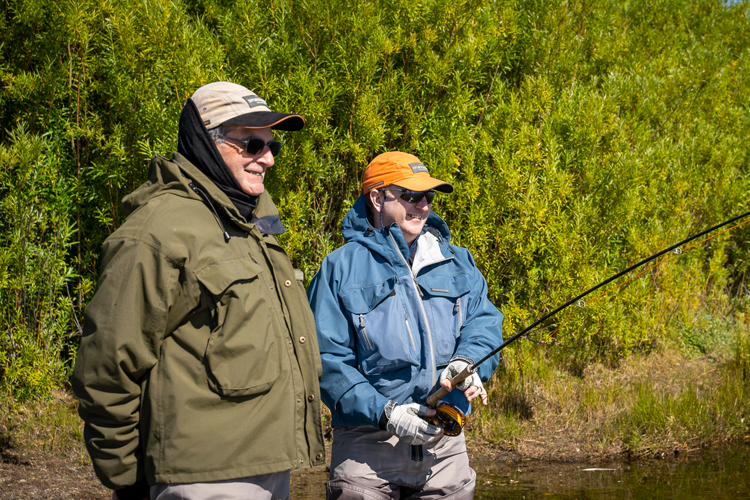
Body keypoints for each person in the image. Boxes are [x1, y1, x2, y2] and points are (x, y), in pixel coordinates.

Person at [72, 82, 325, 500]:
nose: (268, 158)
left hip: (269, 464)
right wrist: (126, 477)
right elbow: (107, 364)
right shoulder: (156, 230)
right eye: (252, 144)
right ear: (205, 143)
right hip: (202, 478)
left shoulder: (250, 224)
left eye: (273, 146)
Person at [307, 151, 504, 499]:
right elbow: (326, 360)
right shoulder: (338, 268)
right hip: (365, 450)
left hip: (445, 447)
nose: (423, 206)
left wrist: (469, 361)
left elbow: (483, 323)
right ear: (377, 197)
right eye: (411, 196)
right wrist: (388, 414)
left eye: (428, 196)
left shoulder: (457, 261)